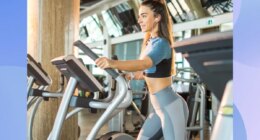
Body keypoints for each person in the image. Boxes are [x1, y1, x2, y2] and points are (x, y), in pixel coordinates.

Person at [95, 0, 189, 139]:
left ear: (157, 17)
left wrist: (113, 63)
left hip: (171, 107)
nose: (139, 20)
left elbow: (144, 63)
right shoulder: (150, 42)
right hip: (158, 108)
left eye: (144, 16)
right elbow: (145, 72)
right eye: (139, 16)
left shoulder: (162, 43)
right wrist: (130, 75)